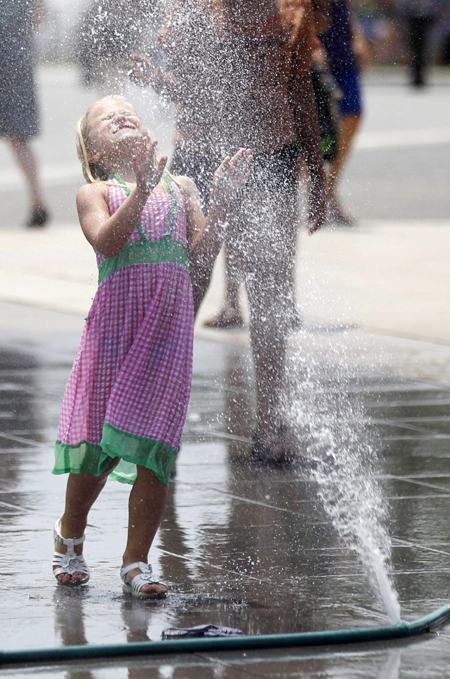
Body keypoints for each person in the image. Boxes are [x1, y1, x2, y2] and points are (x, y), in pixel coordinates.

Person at [51, 95, 252, 595]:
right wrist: (139, 193)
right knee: (97, 449)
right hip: (114, 336)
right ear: (93, 152)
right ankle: (69, 534)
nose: (121, 115)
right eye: (105, 117)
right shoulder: (94, 191)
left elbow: (200, 254)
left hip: (166, 336)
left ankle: (136, 562)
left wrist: (223, 201)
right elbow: (106, 242)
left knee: (156, 451)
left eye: (129, 112)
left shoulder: (180, 187)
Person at [129, 0, 326, 463]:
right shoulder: (195, 10)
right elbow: (175, 77)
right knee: (188, 283)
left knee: (271, 289)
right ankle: (159, 418)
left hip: (270, 155)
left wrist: (316, 175)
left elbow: (300, 89)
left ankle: (271, 422)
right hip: (201, 154)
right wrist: (156, 74)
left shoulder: (291, 11)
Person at [320, 0, 369, 225]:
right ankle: (315, 195)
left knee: (352, 116)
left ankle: (328, 191)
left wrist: (357, 37)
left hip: (342, 51)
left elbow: (344, 7)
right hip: (313, 48)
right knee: (308, 129)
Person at [0, 0, 49, 227]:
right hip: (17, 53)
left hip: (9, 54)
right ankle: (38, 201)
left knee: (16, 136)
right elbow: (38, 16)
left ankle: (38, 202)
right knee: (18, 135)